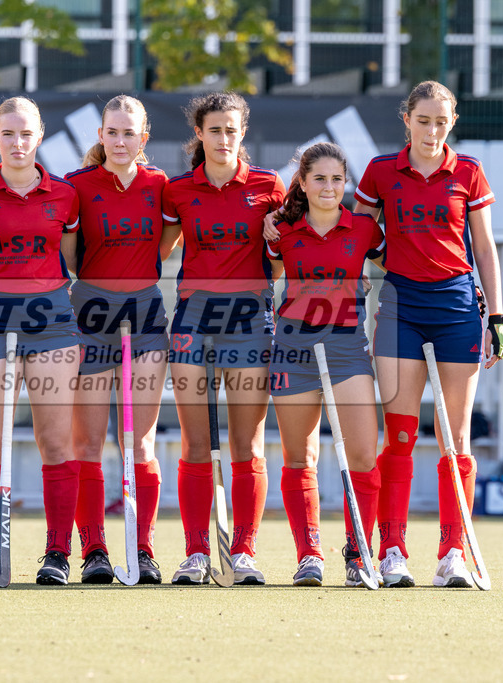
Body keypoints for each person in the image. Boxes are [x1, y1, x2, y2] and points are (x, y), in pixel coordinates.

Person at [353, 81, 503, 588]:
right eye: (424, 120)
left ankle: (452, 554)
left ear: (452, 122)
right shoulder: (381, 172)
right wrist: (381, 255)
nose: (433, 131)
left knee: (455, 437)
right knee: (399, 436)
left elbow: (484, 249)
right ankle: (392, 549)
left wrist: (498, 317)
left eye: (442, 122)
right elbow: (357, 233)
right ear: (407, 120)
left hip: (458, 309)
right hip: (400, 308)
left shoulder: (467, 172)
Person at [0, 96, 82, 586]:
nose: (17, 142)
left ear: (40, 137)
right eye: (8, 134)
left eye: (26, 133)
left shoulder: (64, 196)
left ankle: (57, 554)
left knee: (54, 440)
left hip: (52, 325)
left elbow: (73, 263)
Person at [161, 92, 285, 585]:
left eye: (232, 130)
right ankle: (195, 553)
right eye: (215, 130)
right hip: (193, 319)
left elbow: (280, 263)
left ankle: (245, 552)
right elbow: (159, 251)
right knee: (195, 441)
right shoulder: (178, 191)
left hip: (251, 320)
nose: (224, 139)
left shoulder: (268, 186)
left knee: (247, 443)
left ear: (242, 133)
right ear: (200, 134)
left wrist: (276, 240)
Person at [64, 95, 180, 584]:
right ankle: (93, 549)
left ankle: (143, 547)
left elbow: (167, 244)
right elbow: (70, 256)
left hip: (146, 312)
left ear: (143, 139)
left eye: (129, 132)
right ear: (100, 136)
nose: (119, 140)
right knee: (87, 442)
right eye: (111, 132)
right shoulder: (76, 186)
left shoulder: (161, 186)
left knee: (139, 440)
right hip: (89, 313)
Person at [265, 142, 384, 587]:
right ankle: (309, 554)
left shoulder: (364, 230)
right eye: (319, 179)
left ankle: (359, 553)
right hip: (293, 351)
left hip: (348, 350)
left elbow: (402, 267)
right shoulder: (282, 231)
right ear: (302, 182)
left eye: (337, 179)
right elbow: (263, 275)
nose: (330, 187)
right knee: (301, 457)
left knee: (362, 454)